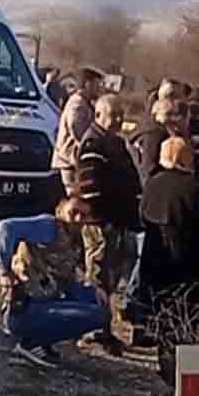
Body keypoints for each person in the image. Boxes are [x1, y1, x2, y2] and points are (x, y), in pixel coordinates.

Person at [135, 137, 199, 377]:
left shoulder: (152, 185)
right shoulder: (198, 188)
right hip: (191, 269)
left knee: (165, 321)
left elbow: (143, 219)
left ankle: (167, 370)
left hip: (157, 266)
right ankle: (188, 382)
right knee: (191, 327)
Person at [0, 199, 110, 368]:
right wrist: (4, 272)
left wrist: (96, 292)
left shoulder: (73, 239)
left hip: (46, 300)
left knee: (100, 303)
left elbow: (68, 283)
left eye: (84, 215)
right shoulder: (49, 227)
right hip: (26, 308)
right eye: (73, 213)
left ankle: (44, 339)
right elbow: (6, 227)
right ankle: (31, 344)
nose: (78, 219)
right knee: (96, 314)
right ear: (60, 212)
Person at [74, 92, 141, 353]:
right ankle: (94, 329)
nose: (118, 121)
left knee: (110, 277)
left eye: (121, 116)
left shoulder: (113, 141)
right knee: (98, 276)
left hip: (116, 221)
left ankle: (104, 326)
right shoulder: (93, 144)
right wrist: (106, 214)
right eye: (113, 116)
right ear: (99, 115)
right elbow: (90, 188)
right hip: (100, 222)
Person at [52, 66, 103, 193]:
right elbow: (78, 131)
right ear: (87, 84)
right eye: (97, 85)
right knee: (75, 197)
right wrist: (91, 144)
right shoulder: (77, 104)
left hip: (75, 160)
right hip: (70, 160)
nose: (99, 89)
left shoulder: (85, 103)